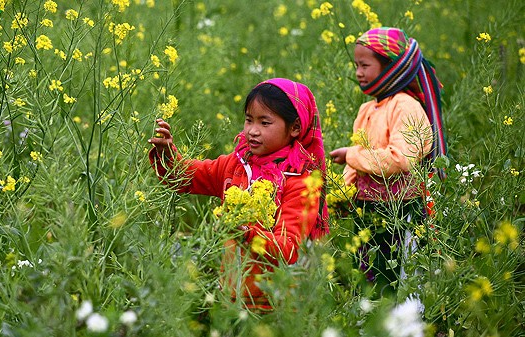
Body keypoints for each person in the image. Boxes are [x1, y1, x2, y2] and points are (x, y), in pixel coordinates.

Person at [148, 78, 328, 312]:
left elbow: (289, 249)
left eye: (265, 123)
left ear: (295, 127)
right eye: (248, 120)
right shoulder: (237, 164)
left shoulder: (300, 182)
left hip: (276, 306)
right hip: (231, 298)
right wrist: (166, 153)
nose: (253, 131)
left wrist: (246, 232)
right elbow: (184, 177)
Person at [329, 27, 446, 293]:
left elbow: (401, 159)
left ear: (392, 68)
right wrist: (343, 193)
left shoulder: (405, 106)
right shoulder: (368, 108)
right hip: (368, 208)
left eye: (365, 65)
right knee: (367, 274)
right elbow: (358, 159)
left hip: (400, 211)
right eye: (356, 65)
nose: (358, 72)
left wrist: (351, 154)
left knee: (396, 275)